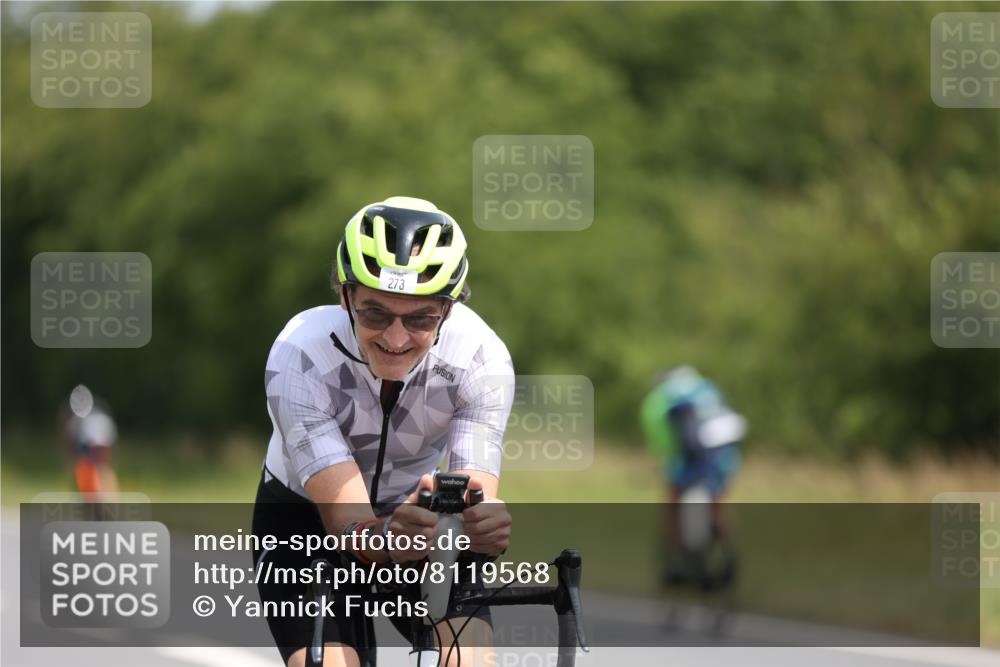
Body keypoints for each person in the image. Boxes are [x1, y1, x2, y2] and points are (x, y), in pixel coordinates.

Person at [252, 196, 515, 667]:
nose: (395, 339)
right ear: (345, 296)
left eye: (419, 319)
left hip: (424, 520)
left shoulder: (480, 360)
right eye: (374, 313)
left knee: (470, 661)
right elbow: (345, 522)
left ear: (448, 311)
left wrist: (482, 525)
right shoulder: (300, 355)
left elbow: (474, 494)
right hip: (306, 522)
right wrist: (388, 534)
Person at [640, 366, 745, 585]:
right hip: (723, 456)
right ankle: (727, 555)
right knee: (717, 506)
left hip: (690, 459)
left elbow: (665, 445)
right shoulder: (709, 390)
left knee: (672, 504)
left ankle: (675, 564)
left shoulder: (662, 401)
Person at [60, 384, 119, 498]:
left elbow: (72, 447)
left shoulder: (76, 420)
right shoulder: (97, 414)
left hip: (92, 439)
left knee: (93, 469)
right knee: (100, 469)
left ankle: (100, 499)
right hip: (99, 435)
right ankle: (102, 499)